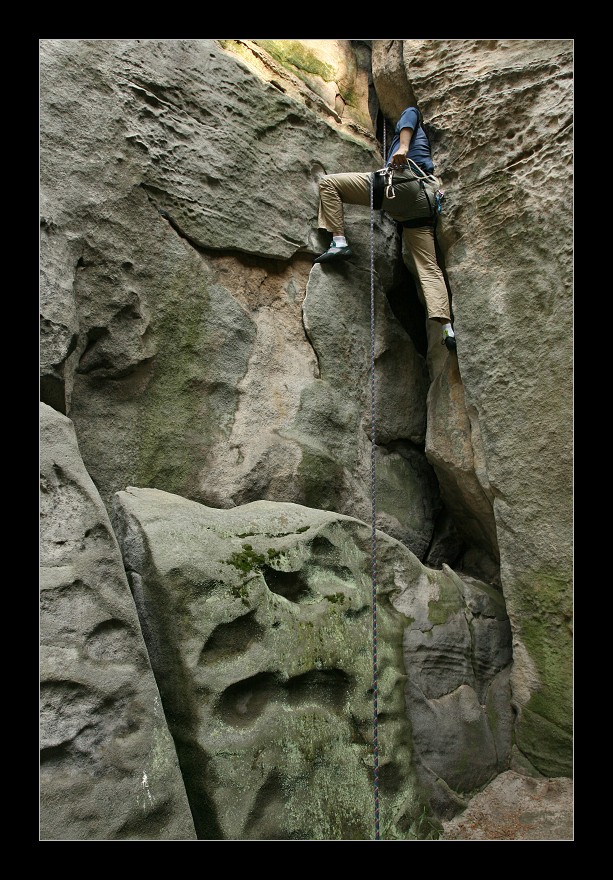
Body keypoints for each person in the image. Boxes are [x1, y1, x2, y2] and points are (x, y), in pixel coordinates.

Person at [314, 106, 456, 352]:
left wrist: (402, 148)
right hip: (423, 206)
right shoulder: (422, 147)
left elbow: (410, 116)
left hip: (404, 184)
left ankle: (339, 241)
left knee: (329, 184)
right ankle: (447, 328)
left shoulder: (409, 115)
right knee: (428, 267)